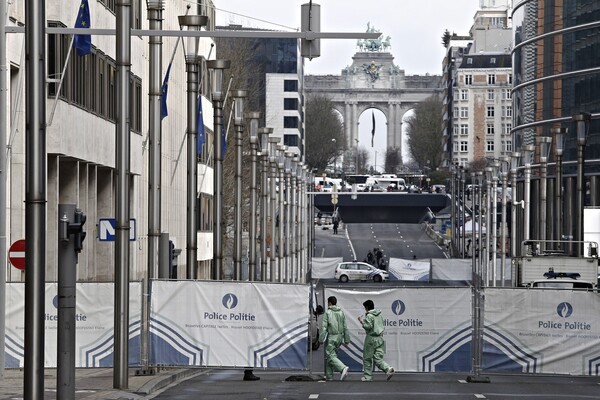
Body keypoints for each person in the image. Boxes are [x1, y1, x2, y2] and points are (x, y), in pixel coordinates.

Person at [358, 299, 394, 382]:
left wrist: (361, 321)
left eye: (365, 308)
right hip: (380, 338)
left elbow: (368, 326)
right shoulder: (380, 315)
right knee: (378, 358)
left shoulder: (369, 315)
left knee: (367, 358)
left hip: (371, 338)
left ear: (367, 307)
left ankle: (368, 377)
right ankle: (388, 368)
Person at [319, 296, 351, 381]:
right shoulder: (341, 312)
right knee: (332, 355)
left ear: (329, 303)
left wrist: (321, 339)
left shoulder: (328, 312)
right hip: (340, 336)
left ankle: (342, 368)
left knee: (330, 355)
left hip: (332, 336)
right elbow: (345, 327)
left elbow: (324, 327)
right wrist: (347, 339)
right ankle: (329, 376)